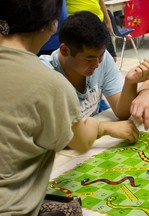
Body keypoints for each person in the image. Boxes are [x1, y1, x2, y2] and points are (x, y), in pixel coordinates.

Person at [0, 0, 139, 215]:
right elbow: (81, 142)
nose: (96, 64)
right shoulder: (50, 82)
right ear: (53, 25)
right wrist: (99, 127)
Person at [39, 11, 149, 131]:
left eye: (101, 55)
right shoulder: (45, 73)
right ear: (64, 50)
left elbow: (122, 113)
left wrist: (130, 83)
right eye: (89, 59)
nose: (97, 64)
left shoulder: (101, 58)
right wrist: (103, 129)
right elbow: (56, 134)